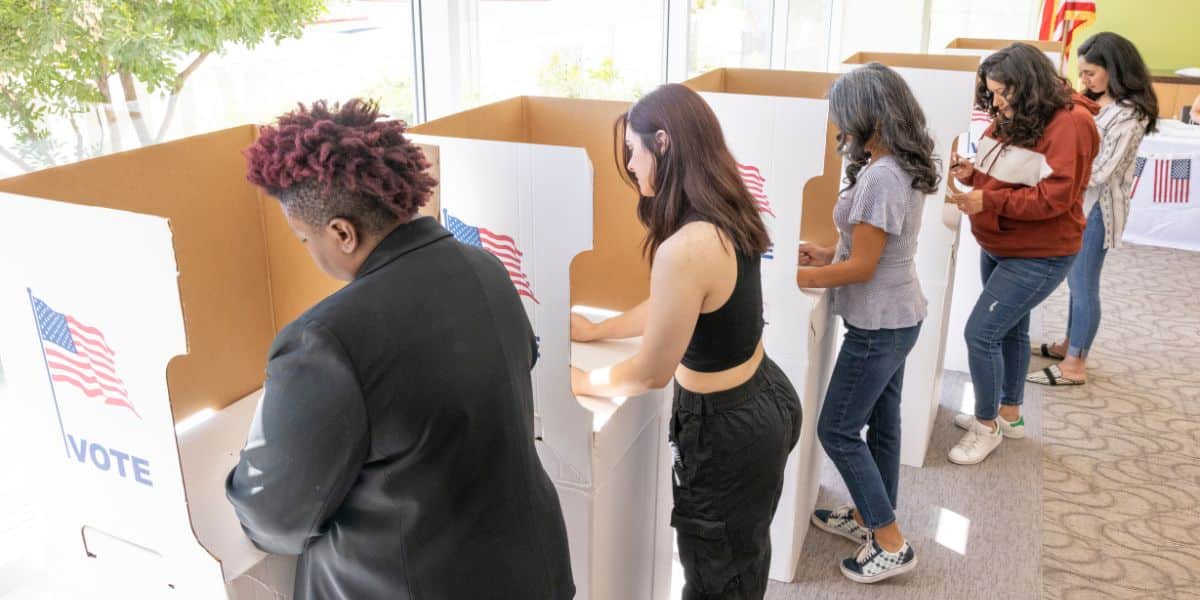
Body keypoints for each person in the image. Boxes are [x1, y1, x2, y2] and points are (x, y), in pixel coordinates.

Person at [226, 99, 574, 600]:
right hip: (532, 572)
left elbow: (274, 519)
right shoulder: (485, 269)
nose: (308, 251)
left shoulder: (326, 340)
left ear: (342, 233)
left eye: (303, 239)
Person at [570, 83, 801, 599]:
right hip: (765, 397)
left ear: (664, 143)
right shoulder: (725, 205)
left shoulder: (686, 246)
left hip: (726, 430)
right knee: (740, 559)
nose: (631, 166)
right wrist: (600, 329)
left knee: (716, 577)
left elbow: (651, 372)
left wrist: (585, 381)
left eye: (633, 151)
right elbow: (678, 305)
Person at [797, 63, 938, 584]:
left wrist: (801, 278)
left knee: (836, 429)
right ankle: (867, 517)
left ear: (869, 115)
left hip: (879, 324)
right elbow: (873, 247)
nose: (839, 126)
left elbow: (863, 267)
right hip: (899, 315)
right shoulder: (897, 162)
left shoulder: (881, 175)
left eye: (843, 116)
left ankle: (891, 541)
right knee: (882, 421)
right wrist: (825, 253)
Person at [947, 43, 1100, 465]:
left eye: (1002, 92)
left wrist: (988, 201)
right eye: (992, 93)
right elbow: (1012, 171)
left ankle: (986, 426)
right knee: (1011, 330)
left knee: (980, 334)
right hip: (1004, 243)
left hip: (1038, 252)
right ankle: (1009, 414)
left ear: (1027, 84)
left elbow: (1054, 198)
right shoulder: (1021, 112)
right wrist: (973, 174)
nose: (996, 103)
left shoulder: (1071, 123)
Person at [1028, 32, 1158, 387]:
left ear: (1114, 69)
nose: (1084, 80)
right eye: (1082, 73)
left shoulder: (1130, 115)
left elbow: (1101, 170)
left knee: (1084, 284)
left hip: (1099, 209)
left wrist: (1054, 169)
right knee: (1075, 281)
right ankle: (1069, 344)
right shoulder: (1100, 103)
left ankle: (1075, 364)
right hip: (1081, 204)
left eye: (1090, 73)